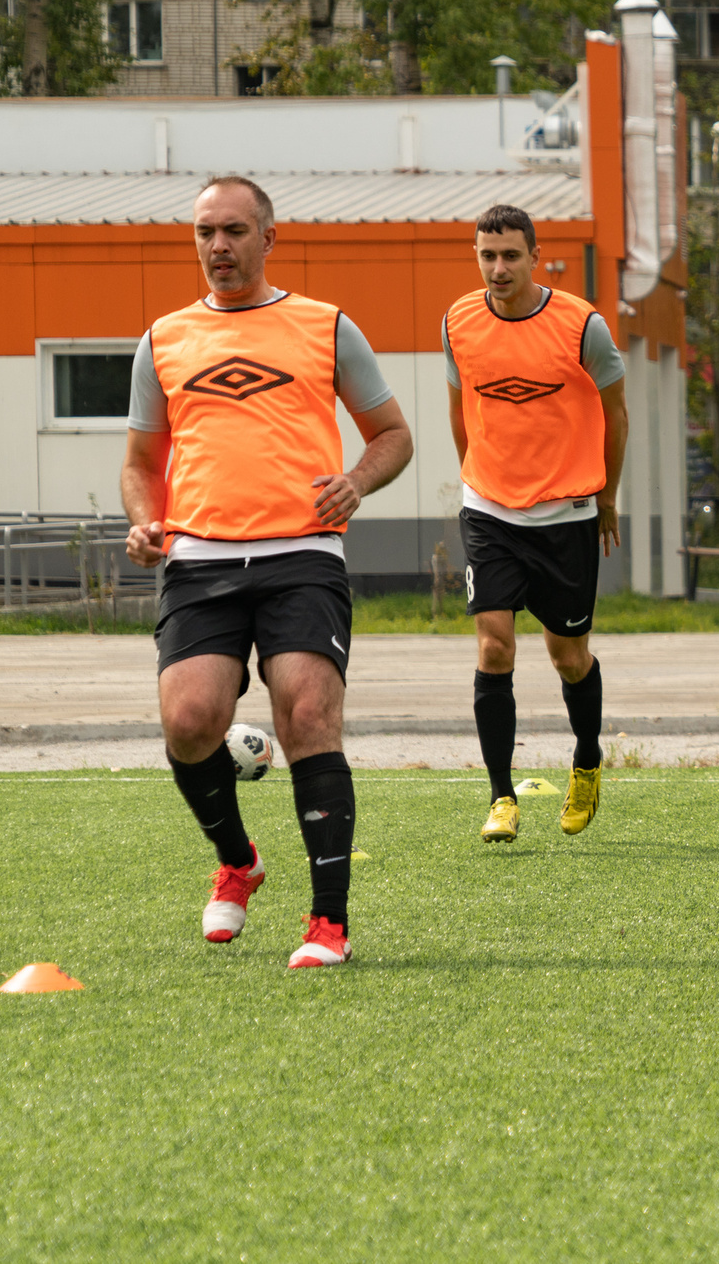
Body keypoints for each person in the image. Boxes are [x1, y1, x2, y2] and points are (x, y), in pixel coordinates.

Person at [123, 175, 413, 970]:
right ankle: (239, 861)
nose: (219, 246)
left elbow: (393, 434)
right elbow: (142, 464)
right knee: (189, 722)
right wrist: (143, 521)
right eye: (205, 233)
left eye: (234, 231)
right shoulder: (163, 340)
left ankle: (328, 923)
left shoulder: (326, 327)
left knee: (308, 714)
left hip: (302, 554)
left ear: (268, 238)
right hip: (200, 559)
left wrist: (358, 479)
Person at [444, 204, 630, 844]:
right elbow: (459, 411)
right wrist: (476, 482)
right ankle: (501, 796)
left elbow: (617, 414)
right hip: (490, 509)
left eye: (510, 256)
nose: (498, 268)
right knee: (495, 644)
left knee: (568, 657)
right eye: (487, 256)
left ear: (534, 256)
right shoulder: (458, 321)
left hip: (567, 514)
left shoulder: (582, 325)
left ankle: (586, 761)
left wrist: (607, 498)